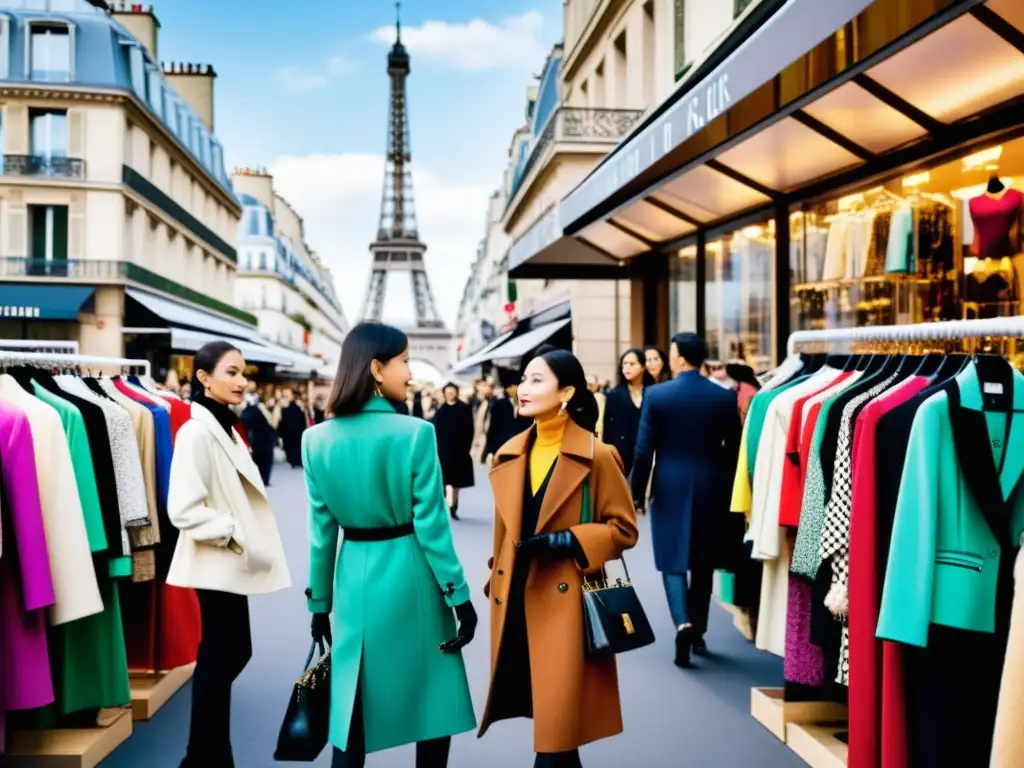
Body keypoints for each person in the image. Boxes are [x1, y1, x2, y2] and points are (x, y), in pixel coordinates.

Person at [303, 322, 477, 768]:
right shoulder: (416, 434)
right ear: (377, 368)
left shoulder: (315, 440)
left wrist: (319, 604)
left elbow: (321, 535)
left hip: (354, 578)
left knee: (352, 703)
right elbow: (433, 527)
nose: (411, 373)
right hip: (413, 576)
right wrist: (460, 598)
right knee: (432, 702)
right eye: (404, 361)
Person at [480, 345, 638, 767]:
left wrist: (568, 540)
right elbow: (501, 538)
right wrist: (495, 576)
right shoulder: (508, 454)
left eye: (536, 380)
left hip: (567, 606)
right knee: (559, 737)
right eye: (523, 379)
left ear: (566, 391)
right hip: (515, 600)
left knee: (555, 737)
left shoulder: (598, 456)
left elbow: (625, 530)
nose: (522, 389)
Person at [166, 341, 291, 767]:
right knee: (223, 654)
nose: (243, 381)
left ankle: (208, 753)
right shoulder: (197, 431)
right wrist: (232, 533)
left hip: (226, 561)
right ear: (203, 377)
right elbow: (182, 507)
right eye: (232, 373)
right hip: (218, 560)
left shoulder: (222, 425)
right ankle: (205, 756)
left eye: (244, 373)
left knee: (230, 652)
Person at [630, 332, 740, 668]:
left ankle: (683, 623)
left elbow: (643, 448)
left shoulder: (658, 394)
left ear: (678, 358)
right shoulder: (722, 396)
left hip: (670, 484)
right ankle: (700, 630)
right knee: (703, 562)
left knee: (672, 559)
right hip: (711, 484)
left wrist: (635, 494)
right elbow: (735, 449)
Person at [602, 348, 655, 477]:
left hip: (648, 454)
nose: (627, 367)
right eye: (624, 364)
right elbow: (608, 431)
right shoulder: (613, 395)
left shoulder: (653, 392)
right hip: (621, 456)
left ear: (642, 367)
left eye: (632, 364)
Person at [432, 382, 475, 520]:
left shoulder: (464, 408)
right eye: (447, 391)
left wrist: (467, 447)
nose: (450, 393)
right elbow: (435, 430)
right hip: (443, 449)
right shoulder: (441, 410)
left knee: (456, 481)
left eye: (452, 391)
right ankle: (446, 504)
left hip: (459, 449)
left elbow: (470, 429)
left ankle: (454, 505)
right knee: (444, 479)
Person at [241, 384, 281, 487]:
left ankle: (263, 479)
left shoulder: (261, 406)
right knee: (260, 458)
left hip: (263, 436)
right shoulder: (249, 405)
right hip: (256, 436)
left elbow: (273, 423)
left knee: (263, 457)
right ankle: (261, 479)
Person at [277, 389, 306, 468]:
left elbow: (302, 419)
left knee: (297, 446)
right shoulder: (282, 407)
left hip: (297, 431)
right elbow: (280, 421)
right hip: (287, 431)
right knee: (289, 447)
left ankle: (298, 461)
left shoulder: (298, 406)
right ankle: (292, 461)